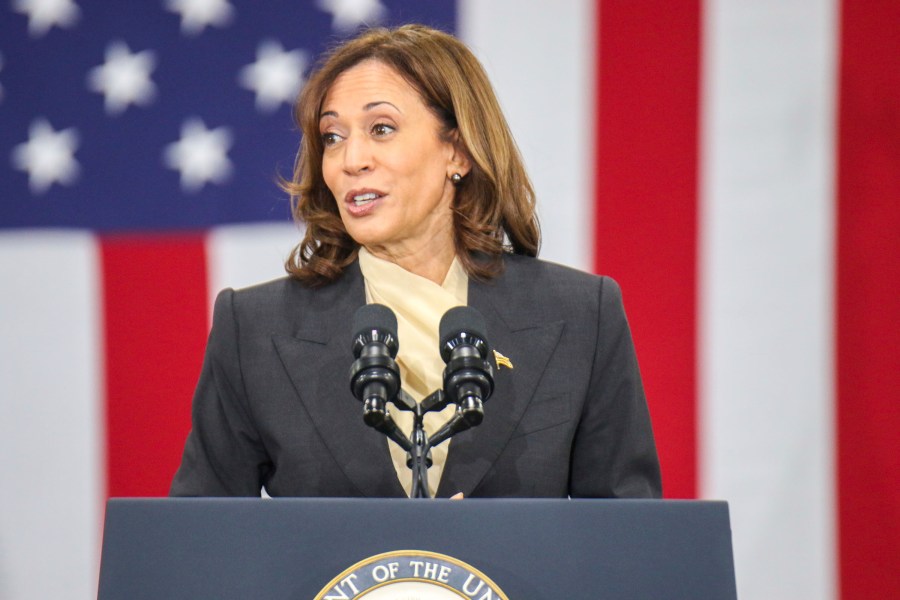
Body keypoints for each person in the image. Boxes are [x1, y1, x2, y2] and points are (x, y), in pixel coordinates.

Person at [170, 24, 661, 499]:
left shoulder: (580, 315)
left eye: (381, 129)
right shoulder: (254, 328)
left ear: (459, 151)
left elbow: (628, 547)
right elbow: (200, 547)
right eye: (333, 137)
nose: (351, 159)